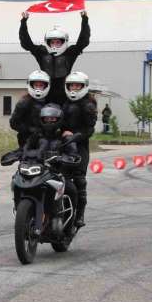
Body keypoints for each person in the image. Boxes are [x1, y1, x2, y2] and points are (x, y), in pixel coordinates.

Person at [22, 103, 82, 232]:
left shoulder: (65, 136)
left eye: (52, 119)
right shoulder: (36, 136)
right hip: (38, 171)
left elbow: (73, 153)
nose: (49, 121)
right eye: (46, 119)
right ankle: (23, 214)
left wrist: (66, 158)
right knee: (18, 180)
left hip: (58, 172)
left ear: (59, 120)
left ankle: (70, 224)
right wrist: (17, 155)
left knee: (71, 189)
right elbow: (25, 149)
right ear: (41, 119)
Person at [19, 10, 90, 105]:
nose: (55, 45)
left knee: (73, 110)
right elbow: (26, 43)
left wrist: (84, 20)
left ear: (63, 42)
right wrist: (23, 22)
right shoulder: (42, 52)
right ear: (48, 42)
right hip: (44, 91)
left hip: (65, 92)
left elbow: (83, 41)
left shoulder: (69, 53)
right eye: (52, 42)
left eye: (58, 42)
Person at [61, 71, 97, 228]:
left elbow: (90, 130)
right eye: (72, 85)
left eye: (77, 85)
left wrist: (74, 135)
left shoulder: (88, 104)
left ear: (84, 87)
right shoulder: (64, 102)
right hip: (60, 143)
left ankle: (80, 214)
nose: (74, 88)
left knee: (79, 180)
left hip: (80, 146)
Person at [9, 70, 51, 149]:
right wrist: (30, 129)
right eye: (36, 85)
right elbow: (13, 123)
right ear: (31, 85)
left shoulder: (49, 101)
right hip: (27, 139)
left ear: (46, 86)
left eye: (41, 85)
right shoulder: (24, 102)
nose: (38, 87)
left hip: (47, 137)